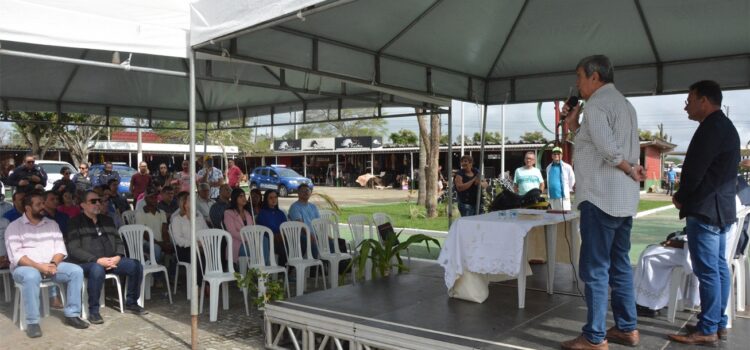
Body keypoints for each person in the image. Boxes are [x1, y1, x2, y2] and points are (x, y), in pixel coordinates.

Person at [560, 55, 644, 350]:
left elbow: (609, 151)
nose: (578, 84)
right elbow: (595, 145)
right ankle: (627, 328)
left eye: (580, 77)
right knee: (619, 265)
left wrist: (628, 167)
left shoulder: (596, 104)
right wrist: (572, 125)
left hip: (600, 197)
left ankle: (594, 337)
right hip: (622, 199)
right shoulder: (625, 104)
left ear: (595, 77)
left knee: (595, 269)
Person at [668, 80, 740, 346]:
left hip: (705, 209)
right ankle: (717, 322)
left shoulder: (710, 128)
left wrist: (681, 197)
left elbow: (695, 171)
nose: (686, 105)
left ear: (704, 101)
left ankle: (708, 327)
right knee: (719, 268)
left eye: (689, 99)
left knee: (709, 271)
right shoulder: (727, 127)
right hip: (720, 209)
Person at [5, 192, 89, 337]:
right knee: (31, 276)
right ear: (27, 208)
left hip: (51, 265)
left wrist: (52, 264)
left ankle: (72, 314)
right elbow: (17, 256)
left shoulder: (52, 224)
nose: (43, 207)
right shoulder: (14, 227)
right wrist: (40, 267)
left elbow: (60, 250)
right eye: (38, 204)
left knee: (76, 271)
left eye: (43, 203)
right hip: (24, 268)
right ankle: (32, 322)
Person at [66, 191, 147, 324]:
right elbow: (74, 249)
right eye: (93, 201)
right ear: (83, 205)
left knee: (135, 265)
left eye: (99, 201)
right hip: (88, 263)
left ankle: (131, 303)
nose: (98, 203)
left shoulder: (107, 220)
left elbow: (118, 241)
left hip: (111, 260)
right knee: (97, 269)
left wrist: (118, 256)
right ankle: (94, 311)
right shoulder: (75, 223)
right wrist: (96, 260)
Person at [170, 192, 208, 286]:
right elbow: (178, 240)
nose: (193, 201)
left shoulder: (199, 217)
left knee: (211, 252)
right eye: (190, 200)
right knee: (196, 254)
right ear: (184, 204)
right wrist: (195, 243)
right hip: (185, 249)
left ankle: (209, 283)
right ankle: (200, 286)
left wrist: (202, 243)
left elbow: (207, 232)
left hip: (201, 246)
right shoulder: (177, 219)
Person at [135, 187, 169, 263]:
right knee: (156, 248)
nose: (154, 199)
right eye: (151, 197)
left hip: (160, 242)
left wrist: (166, 243)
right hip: (146, 243)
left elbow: (164, 231)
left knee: (174, 247)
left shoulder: (162, 212)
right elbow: (145, 234)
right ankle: (156, 273)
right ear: (146, 199)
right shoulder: (140, 213)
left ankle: (169, 270)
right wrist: (160, 244)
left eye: (155, 197)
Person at [256, 189, 288, 266]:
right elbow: (264, 231)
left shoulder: (280, 213)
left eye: (275, 197)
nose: (274, 199)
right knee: (285, 249)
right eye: (271, 198)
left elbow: (285, 227)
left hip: (282, 238)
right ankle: (282, 271)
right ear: (266, 200)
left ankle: (288, 270)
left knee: (299, 243)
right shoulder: (262, 213)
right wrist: (277, 236)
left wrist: (283, 235)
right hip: (270, 240)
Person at [223, 188, 254, 264]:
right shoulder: (228, 213)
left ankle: (260, 269)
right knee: (256, 251)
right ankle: (258, 271)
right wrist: (247, 239)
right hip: (237, 244)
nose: (244, 198)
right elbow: (233, 232)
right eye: (241, 196)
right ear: (235, 198)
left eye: (244, 195)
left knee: (265, 241)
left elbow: (252, 229)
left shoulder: (247, 213)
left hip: (250, 242)